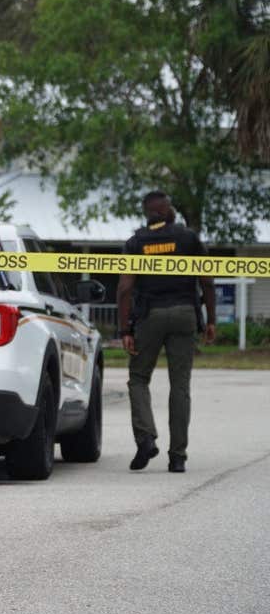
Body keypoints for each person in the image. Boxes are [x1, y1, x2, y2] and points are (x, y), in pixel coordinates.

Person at [117, 191, 216, 473]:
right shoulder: (188, 238)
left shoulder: (136, 242)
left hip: (149, 317)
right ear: (166, 210)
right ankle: (178, 456)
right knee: (180, 386)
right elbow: (207, 281)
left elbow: (125, 288)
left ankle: (145, 437)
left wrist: (125, 328)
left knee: (138, 378)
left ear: (148, 212)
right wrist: (211, 320)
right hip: (185, 313)